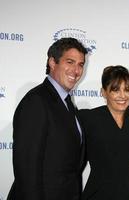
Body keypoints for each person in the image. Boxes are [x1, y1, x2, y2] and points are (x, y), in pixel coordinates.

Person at [7, 37, 88, 200]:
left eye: (80, 64)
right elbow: (27, 170)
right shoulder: (36, 101)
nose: (76, 71)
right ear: (52, 62)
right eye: (70, 62)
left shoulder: (67, 103)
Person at [79, 65, 129, 200]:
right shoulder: (88, 119)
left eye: (127, 89)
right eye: (115, 90)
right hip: (97, 194)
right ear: (103, 92)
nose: (122, 95)